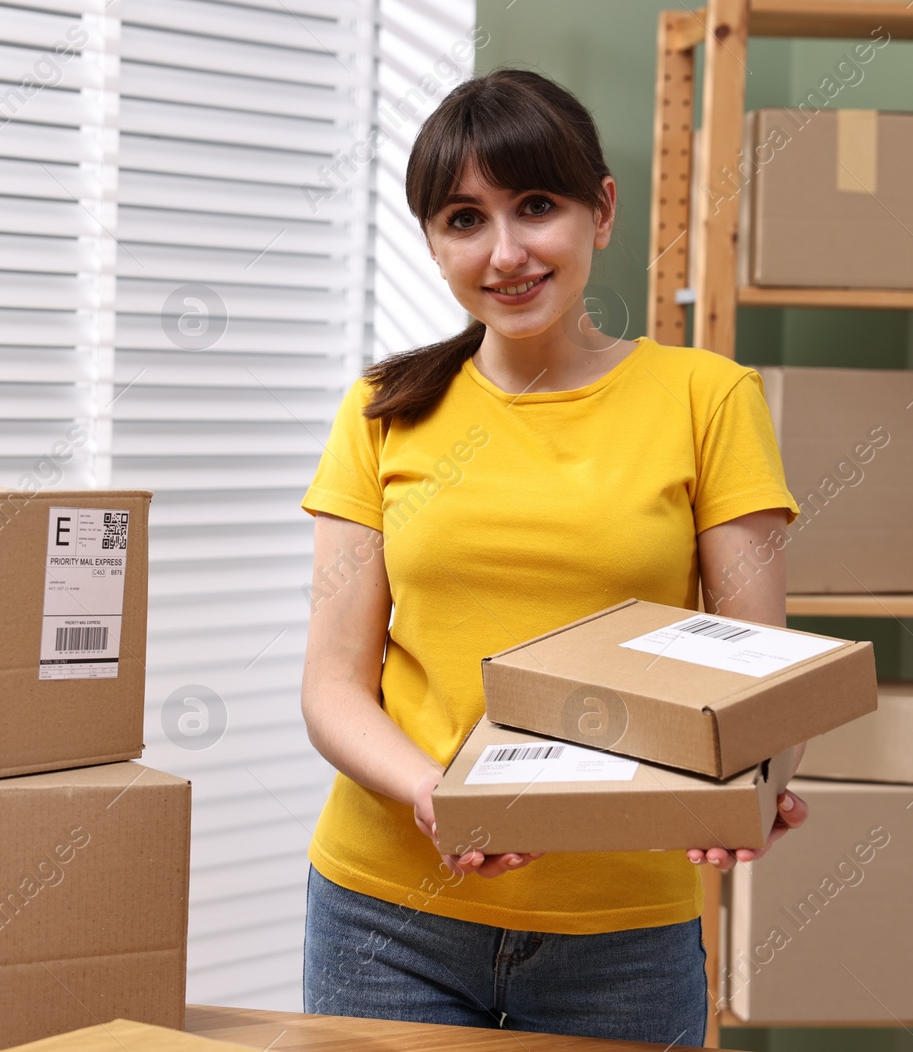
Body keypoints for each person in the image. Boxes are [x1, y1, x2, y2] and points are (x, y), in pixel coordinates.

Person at [297, 68, 807, 1045]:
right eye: (462, 218)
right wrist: (438, 796)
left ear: (601, 210)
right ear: (432, 241)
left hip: (619, 929)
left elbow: (759, 673)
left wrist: (752, 775)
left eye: (536, 206)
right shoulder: (382, 412)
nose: (505, 252)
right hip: (385, 913)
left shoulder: (708, 398)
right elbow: (331, 685)